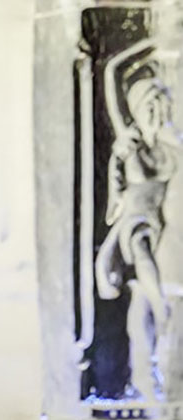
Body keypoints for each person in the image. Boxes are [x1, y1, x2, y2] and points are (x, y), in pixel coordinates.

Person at [94, 40, 180, 401]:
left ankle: (153, 379)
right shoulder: (129, 142)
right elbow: (112, 73)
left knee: (142, 307)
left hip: (161, 227)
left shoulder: (170, 146)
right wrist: (147, 47)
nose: (157, 112)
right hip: (134, 225)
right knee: (152, 290)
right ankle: (162, 319)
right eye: (150, 106)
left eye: (162, 105)